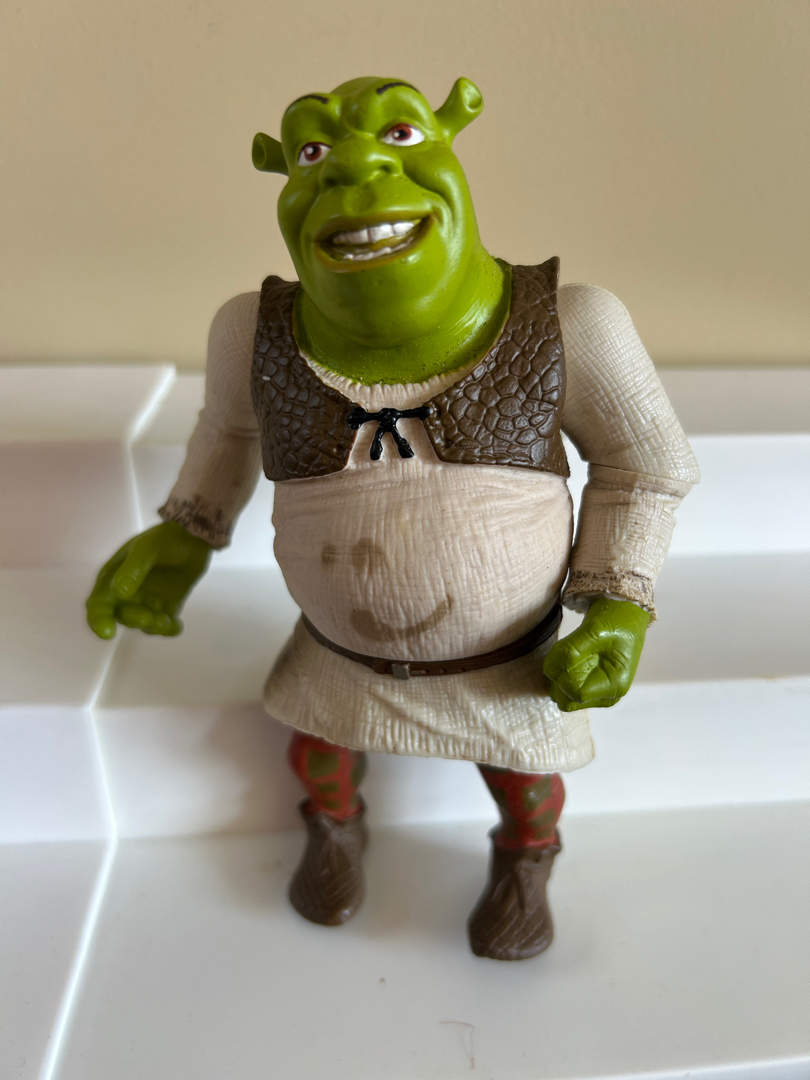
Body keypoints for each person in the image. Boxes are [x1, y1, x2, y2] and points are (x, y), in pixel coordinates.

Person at [86, 76, 699, 961]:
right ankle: (334, 828)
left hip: (510, 665)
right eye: (312, 152)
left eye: (400, 134)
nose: (355, 168)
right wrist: (187, 530)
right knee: (318, 758)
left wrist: (618, 603)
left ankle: (526, 859)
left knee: (526, 782)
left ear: (451, 141)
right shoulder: (250, 331)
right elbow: (228, 431)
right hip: (337, 661)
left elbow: (644, 462)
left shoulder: (572, 324)